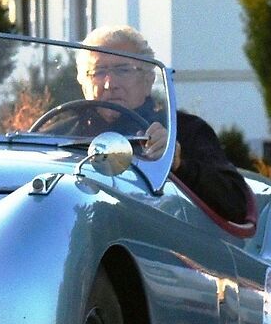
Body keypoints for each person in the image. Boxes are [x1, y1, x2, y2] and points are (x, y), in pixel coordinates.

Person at [77, 26, 255, 227]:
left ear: (148, 80)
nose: (110, 84)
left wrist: (178, 163)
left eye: (123, 70)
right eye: (99, 72)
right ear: (84, 83)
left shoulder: (184, 130)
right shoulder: (57, 132)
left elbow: (237, 205)